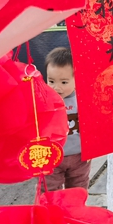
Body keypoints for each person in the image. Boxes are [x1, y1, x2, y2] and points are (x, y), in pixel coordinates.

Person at [44, 47, 90, 191]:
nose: (56, 88)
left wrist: (94, 150)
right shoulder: (43, 100)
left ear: (77, 80)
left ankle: (74, 213)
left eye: (64, 82)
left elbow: (93, 125)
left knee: (78, 189)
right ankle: (50, 213)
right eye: (51, 81)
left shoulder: (83, 100)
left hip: (79, 157)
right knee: (50, 192)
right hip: (51, 157)